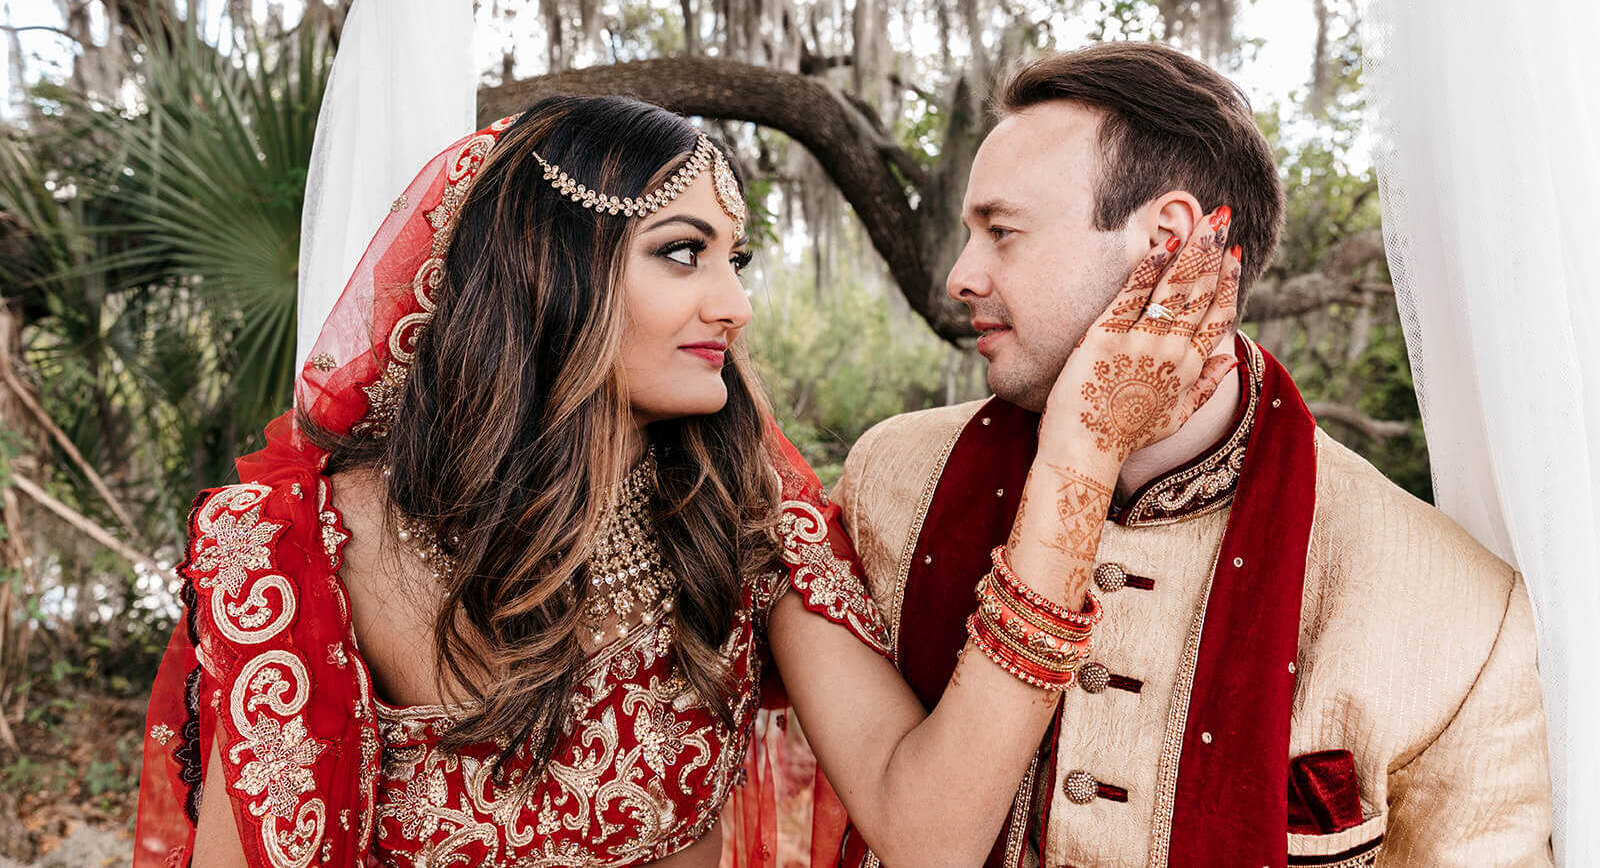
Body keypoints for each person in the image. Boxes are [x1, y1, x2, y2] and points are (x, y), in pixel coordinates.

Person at [132, 93, 1239, 867]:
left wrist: (1080, 460)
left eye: (735, 257)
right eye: (681, 251)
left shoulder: (746, 524)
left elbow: (932, 830)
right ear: (543, 266)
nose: (735, 303)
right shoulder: (303, 548)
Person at [834, 42, 1554, 867]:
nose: (960, 275)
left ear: (1166, 240)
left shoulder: (1459, 614)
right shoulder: (889, 483)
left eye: (1001, 231)